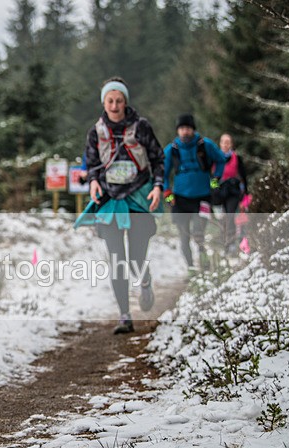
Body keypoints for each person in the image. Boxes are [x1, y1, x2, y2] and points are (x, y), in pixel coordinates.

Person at [74, 77, 165, 334]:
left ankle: (144, 280)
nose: (114, 106)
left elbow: (158, 158)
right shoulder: (96, 132)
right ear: (103, 102)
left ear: (126, 102)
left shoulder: (141, 127)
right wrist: (93, 182)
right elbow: (92, 164)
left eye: (119, 100)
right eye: (110, 101)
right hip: (109, 202)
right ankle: (124, 315)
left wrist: (158, 186)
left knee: (135, 259)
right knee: (117, 260)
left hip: (139, 198)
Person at [163, 114, 226, 275]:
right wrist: (167, 194)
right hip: (180, 199)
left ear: (193, 129)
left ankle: (204, 265)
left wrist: (215, 180)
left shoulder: (205, 145)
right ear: (178, 131)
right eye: (182, 129)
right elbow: (162, 174)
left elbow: (221, 160)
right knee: (184, 237)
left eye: (188, 128)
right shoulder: (172, 150)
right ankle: (191, 268)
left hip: (203, 197)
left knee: (199, 233)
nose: (185, 132)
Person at [217, 133, 249, 255]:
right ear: (220, 144)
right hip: (219, 194)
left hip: (233, 193)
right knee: (221, 219)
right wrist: (214, 188)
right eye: (223, 142)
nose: (225, 144)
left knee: (230, 216)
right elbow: (212, 177)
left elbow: (243, 177)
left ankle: (232, 244)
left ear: (231, 144)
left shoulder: (237, 158)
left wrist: (245, 194)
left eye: (228, 142)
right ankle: (224, 244)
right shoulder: (215, 158)